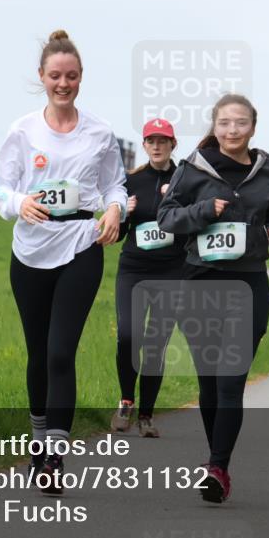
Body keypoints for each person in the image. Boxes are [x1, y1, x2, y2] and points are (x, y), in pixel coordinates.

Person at [0, 30, 127, 493]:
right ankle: (37, 440)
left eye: (71, 76)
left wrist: (114, 210)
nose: (63, 84)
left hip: (81, 244)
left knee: (60, 352)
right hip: (30, 250)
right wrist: (19, 204)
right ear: (41, 77)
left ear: (81, 78)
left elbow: (116, 187)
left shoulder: (101, 133)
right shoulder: (23, 130)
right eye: (55, 76)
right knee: (37, 355)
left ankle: (53, 456)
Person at [157, 93, 269, 503]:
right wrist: (203, 212)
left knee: (231, 381)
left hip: (248, 286)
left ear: (253, 127)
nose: (233, 131)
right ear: (215, 126)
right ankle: (216, 460)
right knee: (210, 384)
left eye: (241, 123)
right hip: (200, 284)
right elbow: (166, 218)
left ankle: (218, 467)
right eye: (225, 123)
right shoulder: (194, 169)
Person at [111, 118, 187, 438]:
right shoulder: (132, 181)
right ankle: (126, 401)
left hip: (171, 272)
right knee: (129, 335)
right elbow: (118, 235)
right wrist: (125, 214)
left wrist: (179, 204)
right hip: (134, 269)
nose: (156, 146)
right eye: (150, 141)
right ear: (144, 146)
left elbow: (196, 224)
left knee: (156, 343)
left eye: (163, 141)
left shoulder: (186, 179)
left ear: (173, 144)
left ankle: (146, 415)